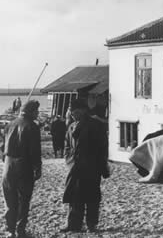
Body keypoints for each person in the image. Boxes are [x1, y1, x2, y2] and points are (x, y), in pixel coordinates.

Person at [61, 99, 110, 233]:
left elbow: (102, 148)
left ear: (83, 110)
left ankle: (91, 224)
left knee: (92, 197)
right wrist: (69, 162)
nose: (71, 114)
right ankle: (73, 224)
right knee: (74, 196)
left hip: (91, 168)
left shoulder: (95, 125)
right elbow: (67, 147)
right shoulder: (71, 127)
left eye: (74, 111)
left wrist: (100, 166)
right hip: (75, 168)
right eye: (71, 111)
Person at [2, 100, 42, 238]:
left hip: (8, 165)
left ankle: (10, 230)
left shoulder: (10, 124)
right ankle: (20, 230)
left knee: (10, 199)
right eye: (36, 111)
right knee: (23, 199)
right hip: (24, 165)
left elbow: (2, 147)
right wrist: (38, 167)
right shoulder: (32, 126)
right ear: (31, 112)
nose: (37, 114)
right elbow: (35, 151)